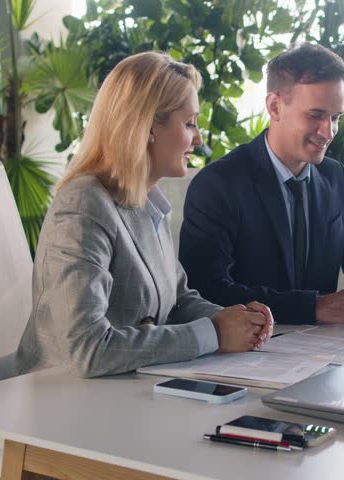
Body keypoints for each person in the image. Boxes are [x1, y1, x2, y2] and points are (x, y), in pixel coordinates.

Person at [17, 52, 273, 378]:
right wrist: (215, 334)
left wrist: (236, 321)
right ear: (150, 126)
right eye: (190, 123)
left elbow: (176, 300)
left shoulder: (147, 200)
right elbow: (87, 348)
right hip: (60, 402)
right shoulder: (83, 205)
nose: (198, 139)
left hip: (125, 393)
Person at [179, 42, 344, 326]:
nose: (329, 131)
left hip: (324, 352)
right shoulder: (218, 184)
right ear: (275, 106)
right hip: (245, 355)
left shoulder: (335, 177)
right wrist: (314, 307)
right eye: (316, 115)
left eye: (335, 118)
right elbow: (207, 289)